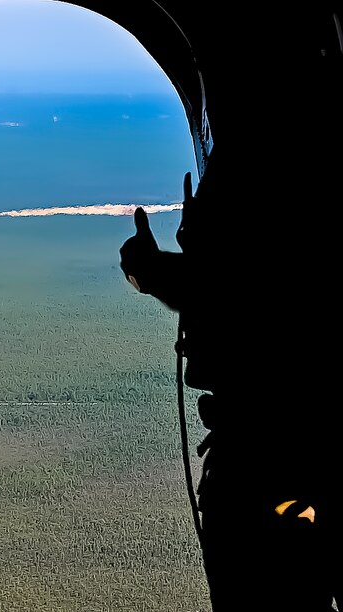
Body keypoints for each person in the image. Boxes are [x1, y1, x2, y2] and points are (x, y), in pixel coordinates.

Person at [117, 6, 341, 609]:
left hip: (273, 448)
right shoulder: (304, 154)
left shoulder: (270, 166)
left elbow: (260, 299)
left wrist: (156, 272)